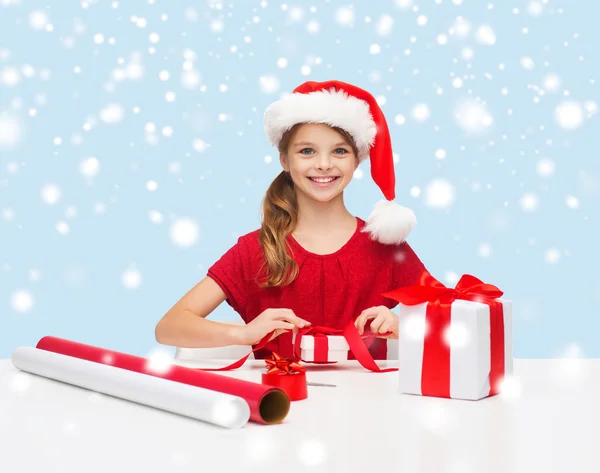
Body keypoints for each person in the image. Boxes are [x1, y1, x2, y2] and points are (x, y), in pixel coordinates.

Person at [155, 80, 429, 360]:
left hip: (369, 403)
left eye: (339, 151)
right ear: (284, 159)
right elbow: (168, 327)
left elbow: (455, 323)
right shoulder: (255, 250)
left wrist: (405, 327)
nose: (324, 164)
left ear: (357, 160)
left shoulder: (385, 246)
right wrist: (244, 334)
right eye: (307, 151)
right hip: (281, 402)